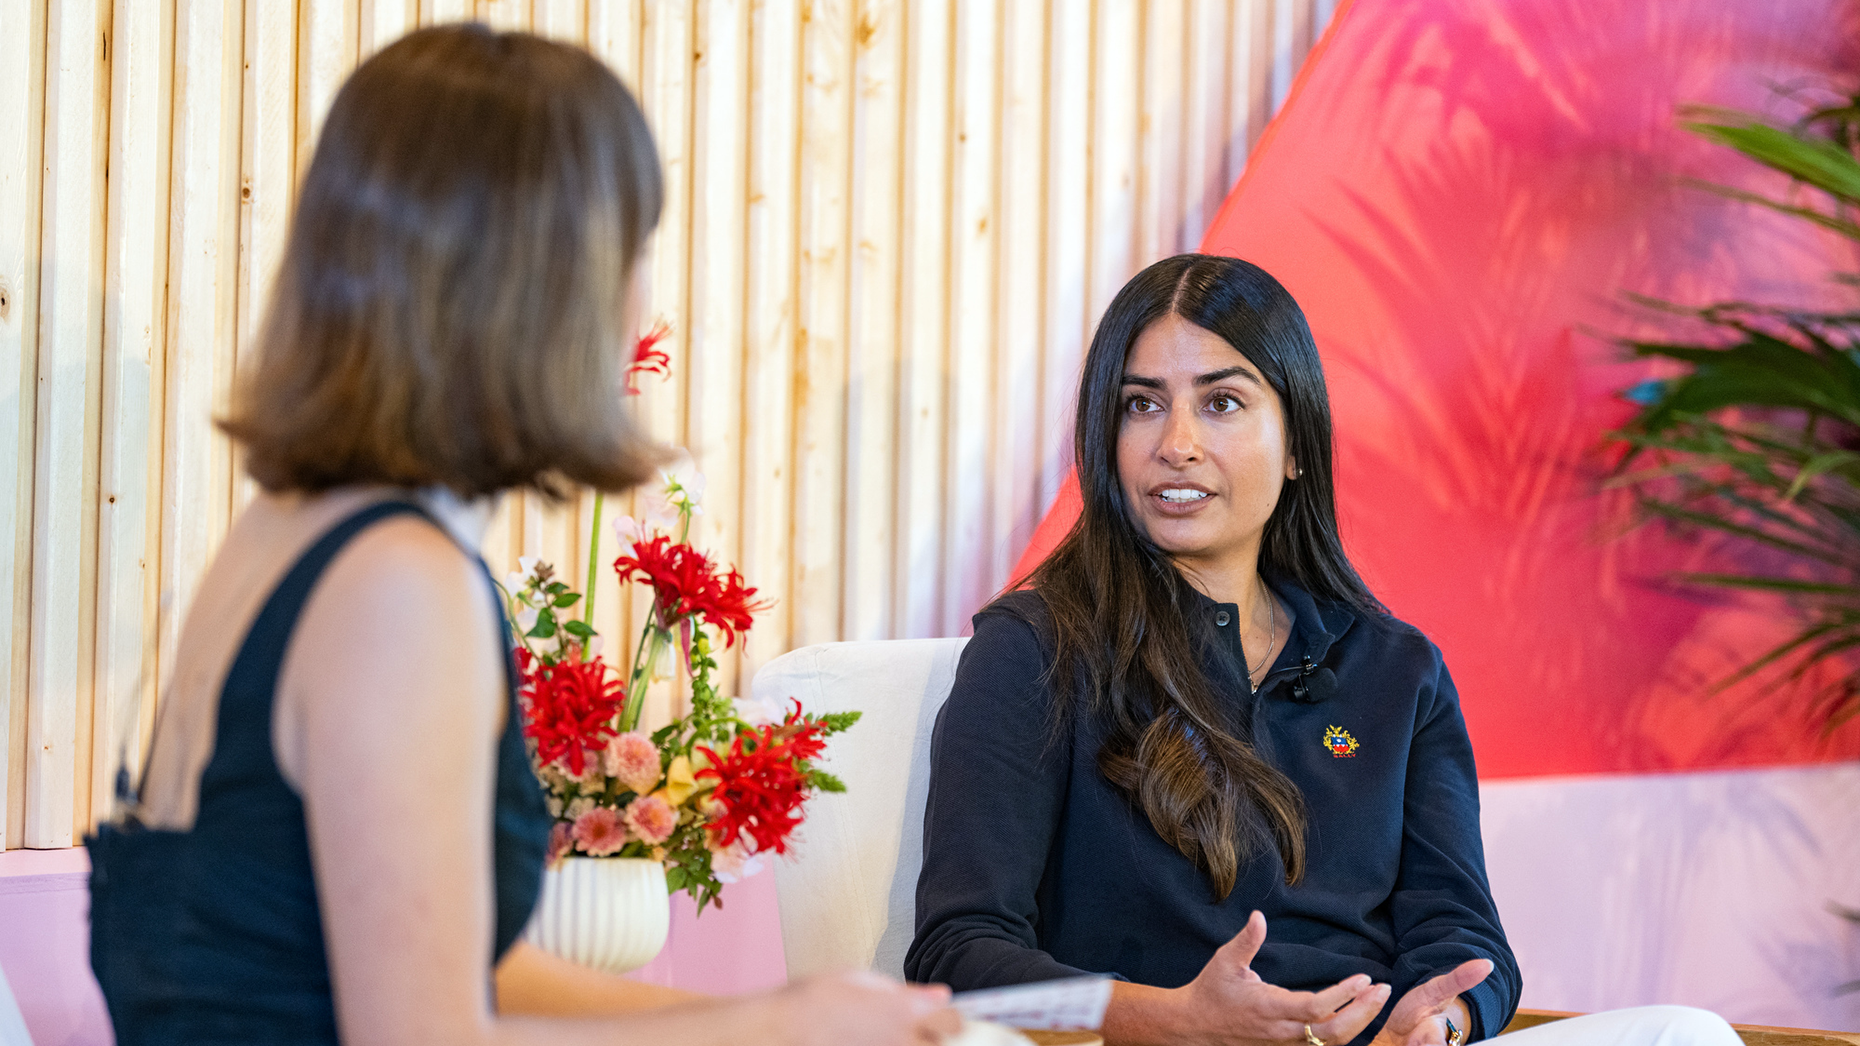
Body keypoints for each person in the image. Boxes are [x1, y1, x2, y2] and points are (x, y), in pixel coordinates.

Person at [87, 24, 956, 1046]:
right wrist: (779, 1033)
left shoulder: (289, 531)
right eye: (631, 253)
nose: (640, 299)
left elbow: (448, 954)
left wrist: (770, 1009)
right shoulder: (397, 582)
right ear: (537, 282)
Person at [904, 254, 1742, 1046]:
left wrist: (1440, 1021)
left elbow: (1459, 932)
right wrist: (1175, 1020)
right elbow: (958, 955)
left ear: (1298, 442)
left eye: (1222, 402)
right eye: (1142, 403)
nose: (1176, 443)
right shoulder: (1037, 648)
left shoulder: (1395, 669)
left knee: (1684, 1034)